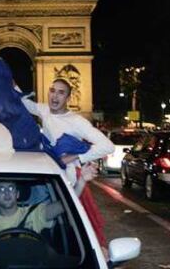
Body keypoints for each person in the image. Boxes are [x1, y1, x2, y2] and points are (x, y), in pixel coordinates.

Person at [20, 78, 114, 252]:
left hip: (67, 181)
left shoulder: (77, 121)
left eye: (61, 93)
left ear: (69, 98)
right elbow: (24, 103)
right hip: (46, 178)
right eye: (52, 90)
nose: (55, 96)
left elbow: (108, 146)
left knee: (69, 225)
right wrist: (8, 82)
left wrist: (75, 157)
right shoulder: (44, 110)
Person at [0, 181, 64, 249]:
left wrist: (76, 188)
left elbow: (63, 205)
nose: (7, 193)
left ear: (17, 194)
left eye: (11, 188)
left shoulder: (33, 213)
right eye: (1, 189)